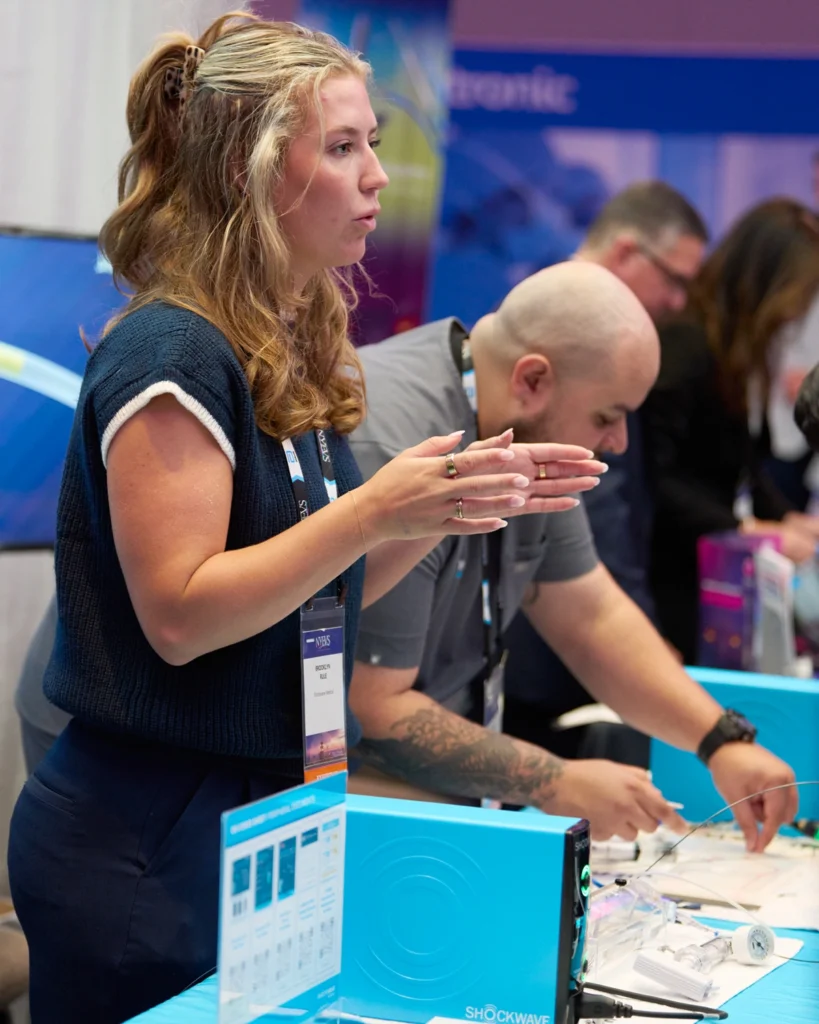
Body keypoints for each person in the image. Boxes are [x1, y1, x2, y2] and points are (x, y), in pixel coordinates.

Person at [6, 15, 599, 1023]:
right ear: (249, 167)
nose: (378, 175)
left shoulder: (276, 343)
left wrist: (443, 508)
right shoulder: (172, 354)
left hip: (258, 818)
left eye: (373, 142)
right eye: (342, 146)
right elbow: (183, 614)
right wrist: (373, 507)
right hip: (149, 836)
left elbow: (310, 589)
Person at [348, 260, 797, 851]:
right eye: (607, 416)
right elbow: (375, 708)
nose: (618, 443)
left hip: (436, 803)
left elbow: (590, 616)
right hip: (352, 804)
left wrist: (721, 740)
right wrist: (555, 782)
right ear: (532, 380)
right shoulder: (396, 440)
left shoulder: (522, 430)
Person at [503, 181, 709, 762]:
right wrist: (644, 647)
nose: (679, 301)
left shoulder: (603, 336)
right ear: (625, 252)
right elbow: (597, 505)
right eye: (676, 279)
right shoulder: (553, 324)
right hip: (543, 650)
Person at [643, 198, 819, 664]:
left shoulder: (733, 352)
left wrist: (783, 519)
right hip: (669, 582)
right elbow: (656, 480)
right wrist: (751, 529)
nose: (797, 313)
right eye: (798, 296)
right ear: (762, 283)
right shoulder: (685, 347)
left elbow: (740, 466)